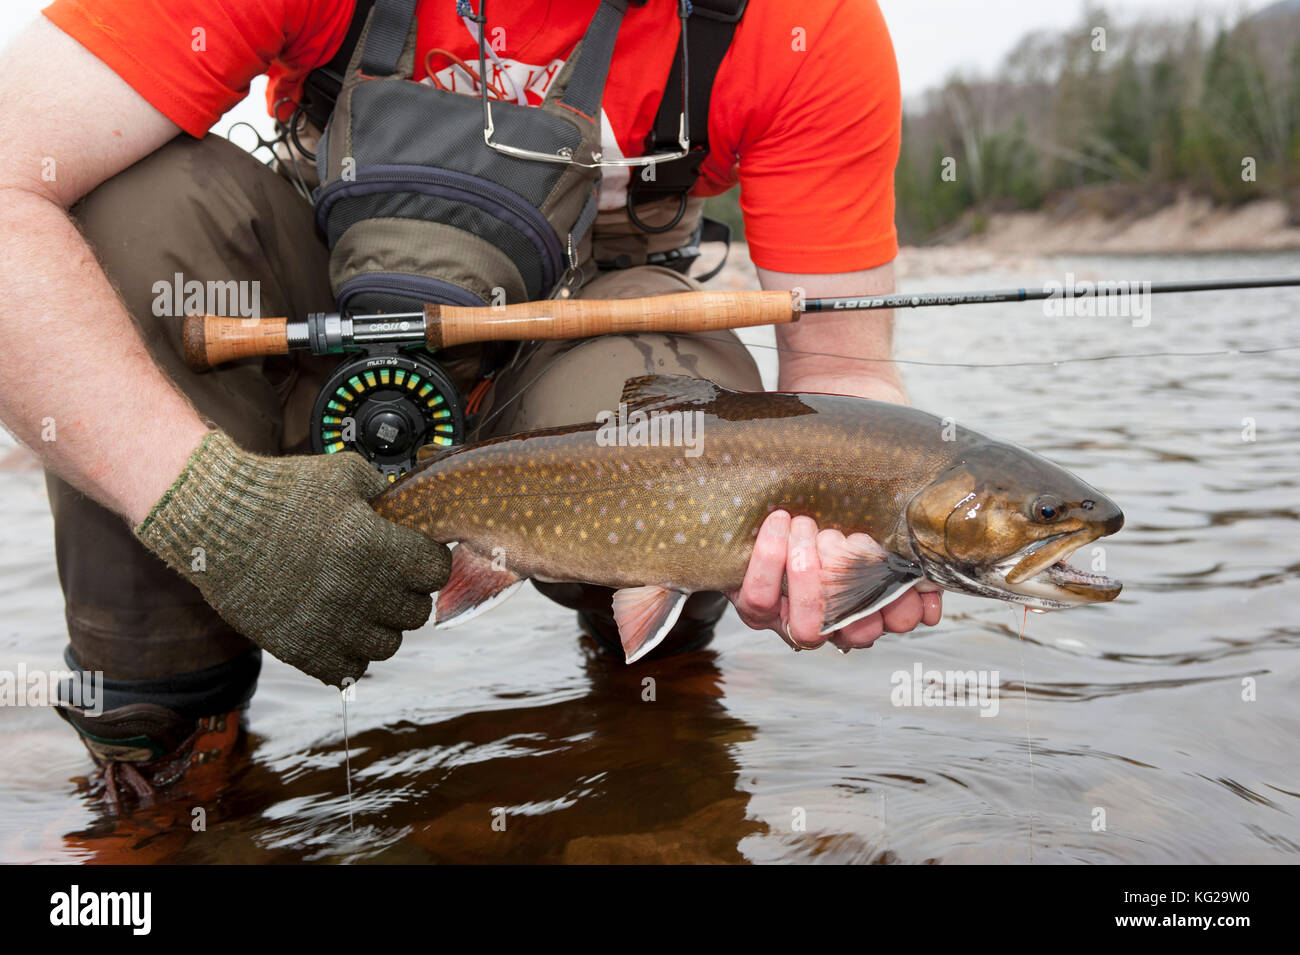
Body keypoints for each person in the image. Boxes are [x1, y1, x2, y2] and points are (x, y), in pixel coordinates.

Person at [0, 0, 941, 806]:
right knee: (135, 211)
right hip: (319, 330)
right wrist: (203, 498)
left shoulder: (802, 25)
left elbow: (840, 380)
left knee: (691, 393)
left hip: (585, 365)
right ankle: (160, 765)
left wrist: (852, 533)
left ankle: (655, 724)